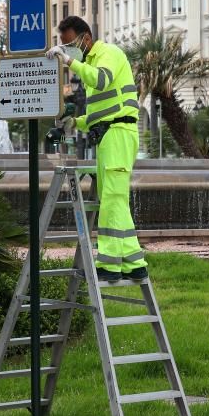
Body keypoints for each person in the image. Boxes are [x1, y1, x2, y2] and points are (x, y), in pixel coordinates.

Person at [46, 16, 148, 283]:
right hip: (109, 135)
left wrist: (69, 62)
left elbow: (101, 80)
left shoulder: (109, 54)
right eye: (65, 47)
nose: (68, 50)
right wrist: (74, 122)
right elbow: (97, 115)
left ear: (86, 38)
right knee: (114, 199)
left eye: (70, 44)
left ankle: (110, 265)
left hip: (118, 134)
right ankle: (134, 262)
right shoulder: (91, 62)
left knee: (112, 200)